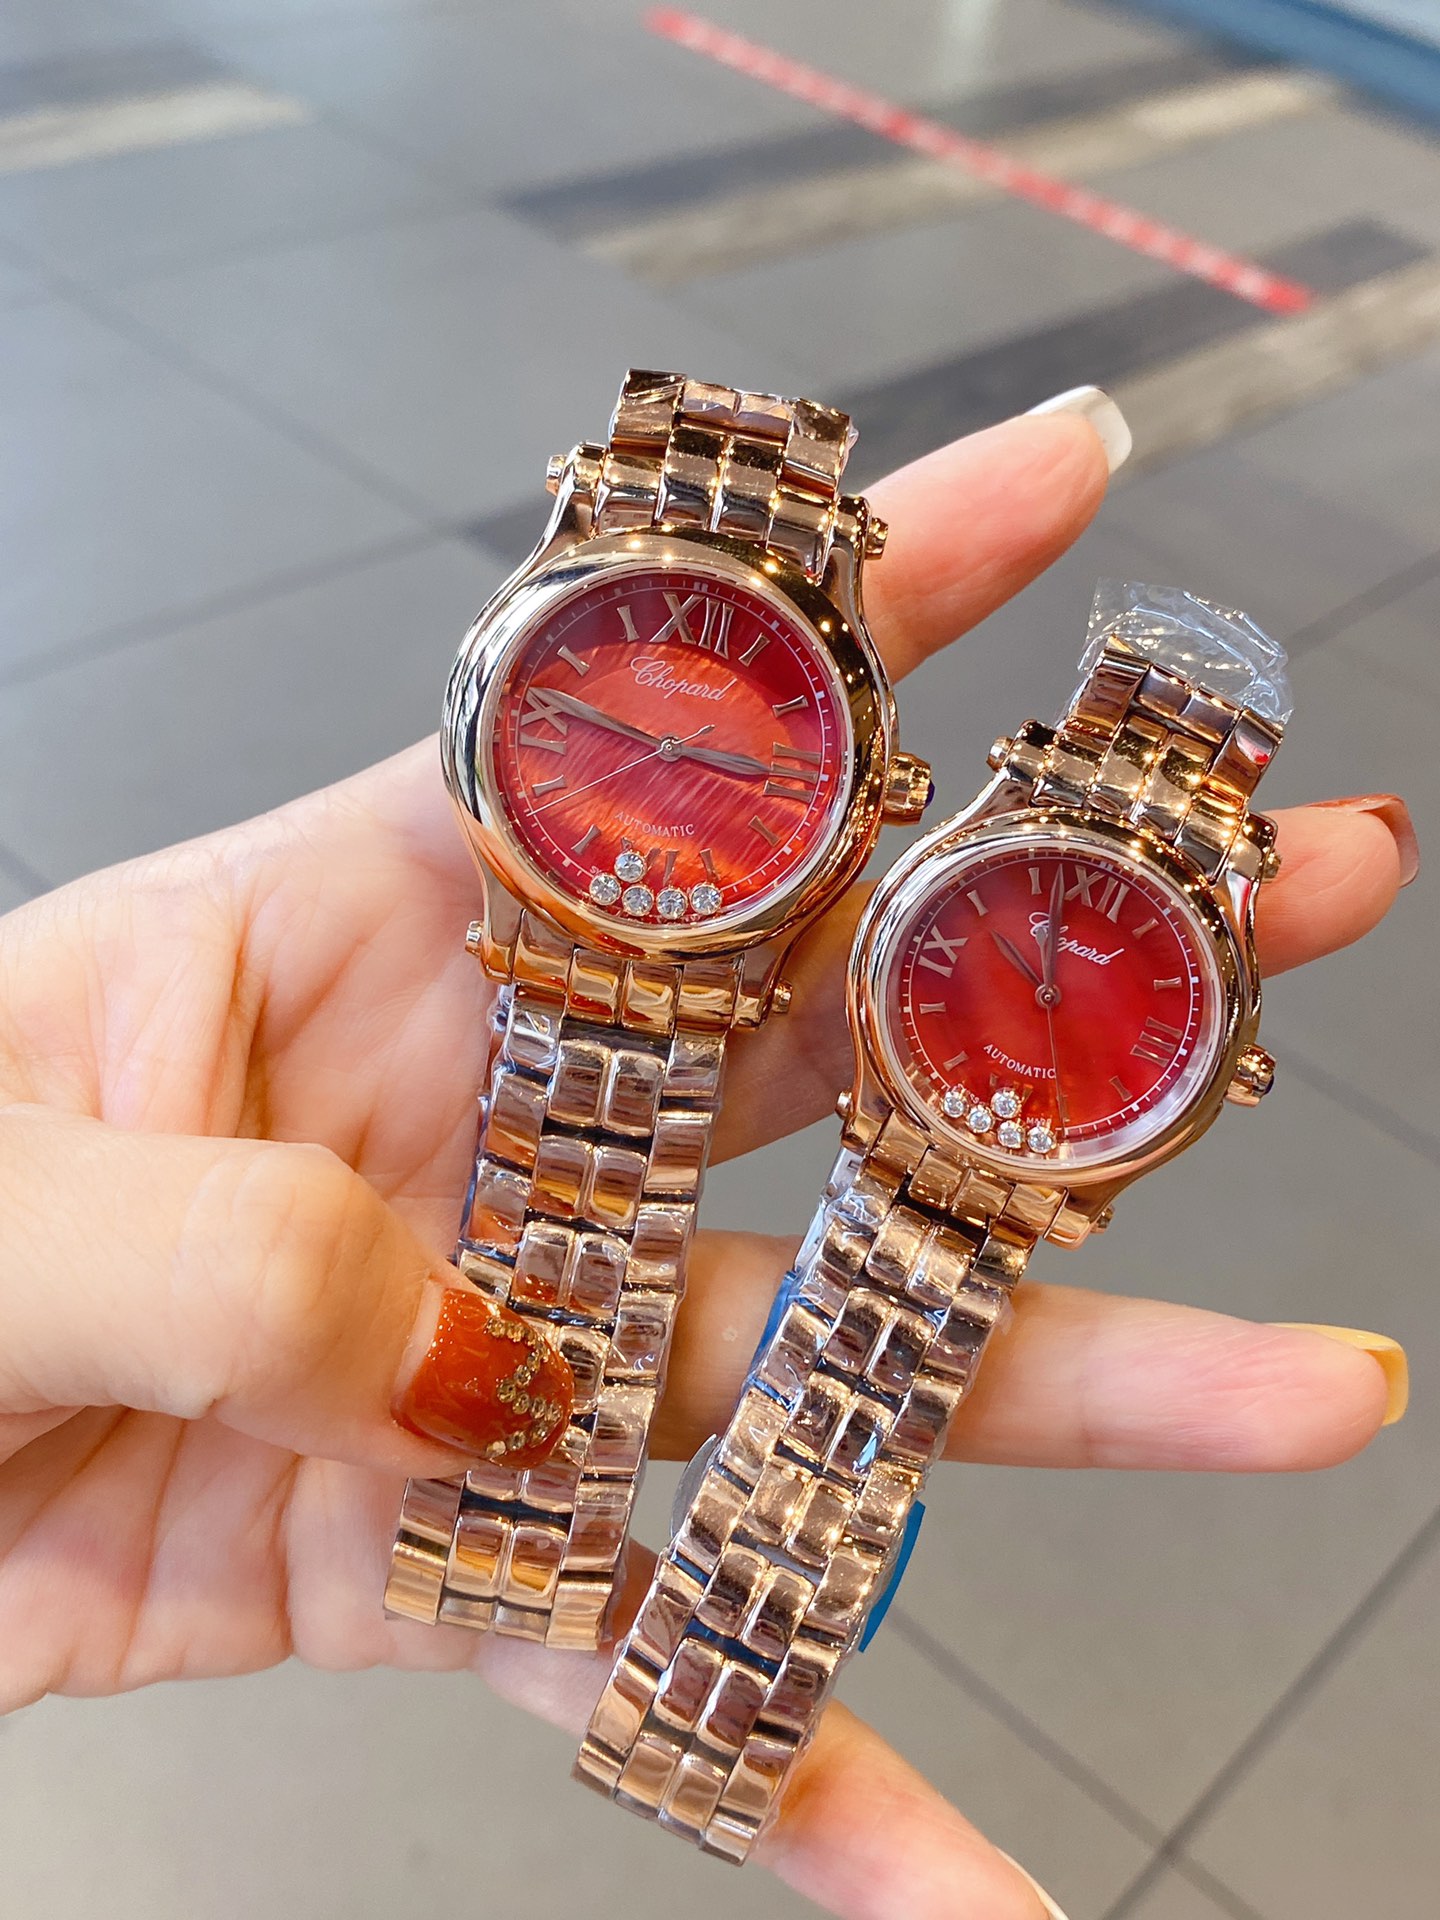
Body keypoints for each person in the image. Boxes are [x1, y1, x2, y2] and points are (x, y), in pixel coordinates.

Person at [0, 409, 1415, 1920]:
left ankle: (561, 1589)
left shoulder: (937, 893)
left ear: (874, 815)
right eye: (640, 733)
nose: (674, 749)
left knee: (810, 1393)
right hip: (591, 945)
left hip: (892, 1108)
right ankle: (518, 1562)